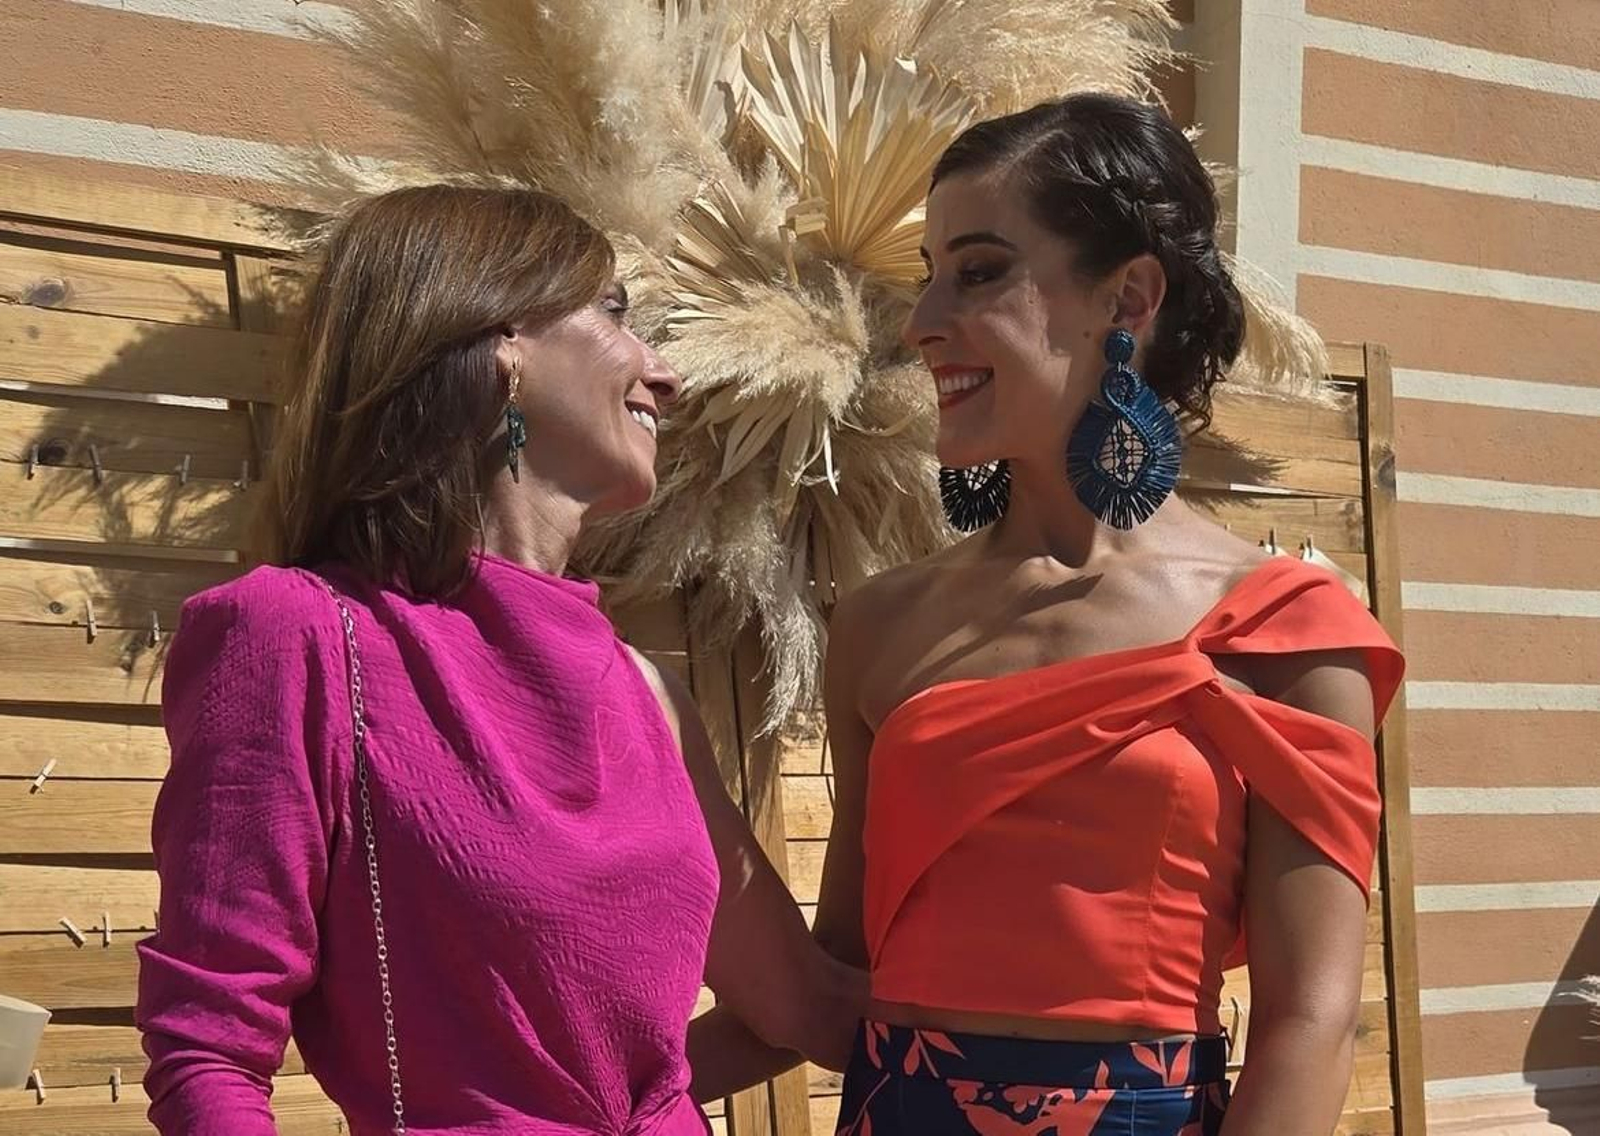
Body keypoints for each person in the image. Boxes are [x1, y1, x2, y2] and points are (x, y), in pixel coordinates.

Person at [135, 184, 862, 1136]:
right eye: (614, 312)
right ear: (499, 343)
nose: (665, 371)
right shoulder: (300, 637)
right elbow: (207, 1052)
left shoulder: (649, 694)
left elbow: (798, 1010)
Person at [814, 94, 1405, 1136]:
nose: (920, 323)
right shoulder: (876, 625)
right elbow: (835, 975)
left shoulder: (1285, 634)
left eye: (980, 271)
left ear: (1126, 295)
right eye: (927, 278)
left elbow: (1307, 1021)